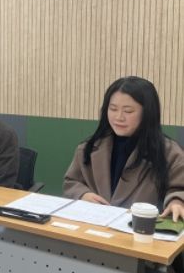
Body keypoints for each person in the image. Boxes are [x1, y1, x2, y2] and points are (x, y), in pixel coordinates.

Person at [63, 76, 184, 216]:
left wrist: (176, 201)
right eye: (113, 109)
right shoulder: (89, 148)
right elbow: (71, 182)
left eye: (128, 111)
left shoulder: (170, 153)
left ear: (147, 113)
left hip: (141, 226)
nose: (119, 117)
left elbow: (179, 189)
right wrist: (83, 194)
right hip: (93, 223)